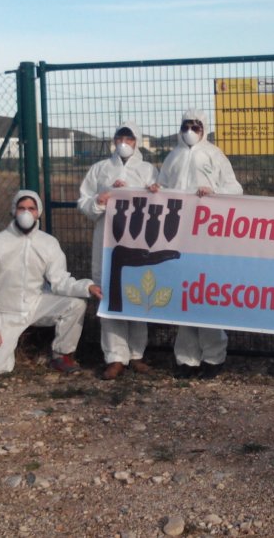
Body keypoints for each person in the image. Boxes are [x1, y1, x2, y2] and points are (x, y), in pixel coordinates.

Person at [149, 108, 243, 379]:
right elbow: (161, 186)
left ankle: (214, 357)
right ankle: (186, 359)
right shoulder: (172, 156)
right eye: (186, 125)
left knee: (204, 293)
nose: (190, 131)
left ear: (204, 128)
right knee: (183, 293)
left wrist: (215, 193)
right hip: (177, 232)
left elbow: (235, 188)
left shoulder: (215, 155)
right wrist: (156, 189)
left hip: (207, 233)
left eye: (196, 126)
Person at [0, 189, 102, 376]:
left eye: (31, 208)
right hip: (5, 312)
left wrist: (86, 287)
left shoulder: (48, 243)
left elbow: (59, 280)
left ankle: (62, 355)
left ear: (38, 212)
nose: (26, 213)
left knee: (75, 304)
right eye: (21, 208)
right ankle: (11, 352)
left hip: (36, 304)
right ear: (13, 211)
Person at [78, 121, 159, 380]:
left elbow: (162, 201)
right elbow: (83, 201)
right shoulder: (100, 169)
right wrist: (98, 201)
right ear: (114, 140)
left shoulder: (148, 170)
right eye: (120, 137)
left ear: (137, 141)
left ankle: (136, 354)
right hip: (107, 239)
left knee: (138, 291)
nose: (124, 142)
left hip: (138, 238)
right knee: (109, 293)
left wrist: (156, 192)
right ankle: (115, 357)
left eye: (130, 138)